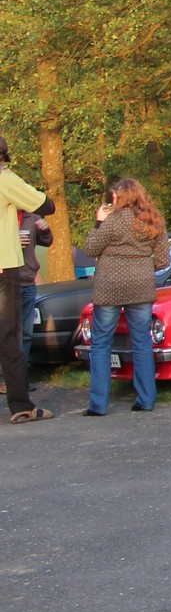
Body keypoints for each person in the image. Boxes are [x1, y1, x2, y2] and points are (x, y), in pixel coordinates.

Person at [84, 177, 171, 416]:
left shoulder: (112, 220)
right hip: (141, 286)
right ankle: (146, 399)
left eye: (114, 196)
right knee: (142, 341)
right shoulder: (153, 220)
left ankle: (98, 404)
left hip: (109, 287)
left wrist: (98, 222)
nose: (112, 200)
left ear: (122, 197)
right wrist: (141, 267)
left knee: (101, 343)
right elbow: (163, 260)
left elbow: (91, 249)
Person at [0, 137, 56, 423]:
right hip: (3, 266)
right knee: (8, 339)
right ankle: (21, 405)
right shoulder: (5, 179)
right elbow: (46, 205)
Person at [19, 211, 50, 364]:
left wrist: (45, 230)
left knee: (26, 333)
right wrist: (11, 243)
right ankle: (5, 374)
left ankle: (20, 373)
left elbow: (47, 241)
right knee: (7, 332)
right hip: (6, 283)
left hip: (28, 281)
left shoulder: (31, 217)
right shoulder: (3, 215)